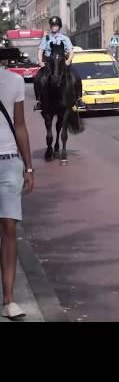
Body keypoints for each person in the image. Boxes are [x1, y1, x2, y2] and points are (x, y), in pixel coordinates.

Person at [0, 61, 34, 320]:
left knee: (9, 227)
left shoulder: (14, 81)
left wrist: (29, 167)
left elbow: (19, 124)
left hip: (10, 162)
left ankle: (9, 299)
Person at [33, 16, 75, 111]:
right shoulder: (46, 38)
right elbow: (40, 51)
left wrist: (68, 61)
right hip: (49, 63)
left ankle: (78, 98)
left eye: (56, 26)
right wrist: (40, 61)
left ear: (59, 27)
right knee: (38, 78)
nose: (54, 27)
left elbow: (71, 51)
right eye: (52, 26)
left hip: (62, 63)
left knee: (74, 76)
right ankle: (39, 100)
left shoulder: (65, 38)